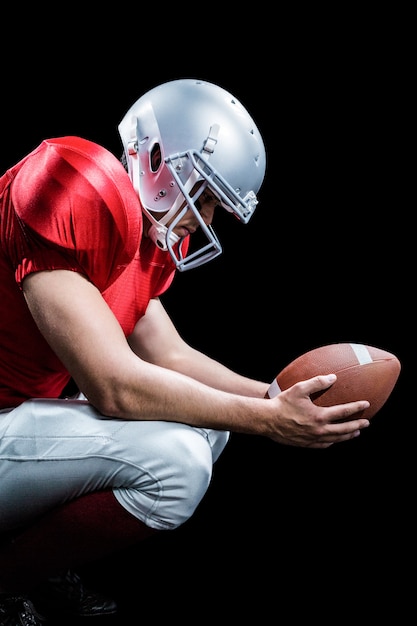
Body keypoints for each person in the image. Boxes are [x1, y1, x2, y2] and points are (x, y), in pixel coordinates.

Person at [0, 78, 371, 625]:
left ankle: (43, 554)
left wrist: (277, 396)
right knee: (180, 462)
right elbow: (115, 385)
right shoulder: (76, 185)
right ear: (156, 161)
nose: (207, 219)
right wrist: (267, 421)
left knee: (207, 423)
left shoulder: (138, 239)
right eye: (204, 197)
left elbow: (170, 358)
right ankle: (9, 577)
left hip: (17, 420)